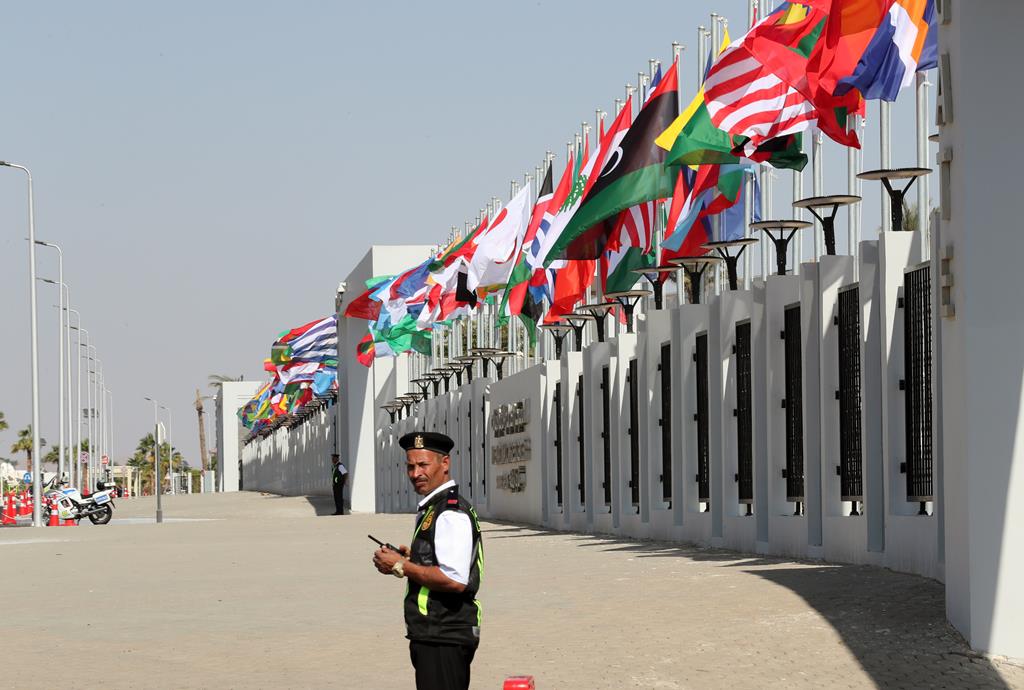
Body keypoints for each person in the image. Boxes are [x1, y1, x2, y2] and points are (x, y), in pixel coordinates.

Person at [372, 431, 483, 690]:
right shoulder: (434, 507)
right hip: (434, 632)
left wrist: (401, 565)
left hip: (444, 633)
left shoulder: (450, 512)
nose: (415, 473)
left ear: (445, 463)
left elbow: (454, 580)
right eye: (410, 466)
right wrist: (411, 558)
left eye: (423, 465)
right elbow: (442, 560)